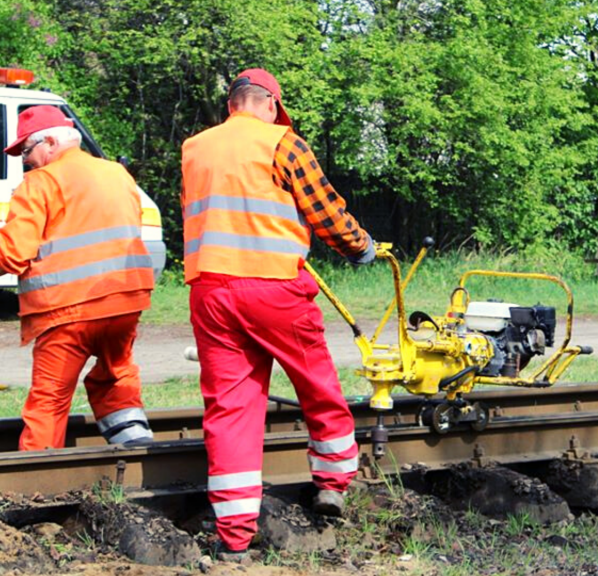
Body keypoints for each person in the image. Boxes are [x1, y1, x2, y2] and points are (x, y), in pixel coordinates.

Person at [181, 68, 375, 559]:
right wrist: (359, 247)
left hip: (209, 290)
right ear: (270, 104)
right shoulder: (283, 142)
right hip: (273, 288)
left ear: (232, 105)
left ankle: (234, 537)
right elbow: (324, 210)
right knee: (315, 381)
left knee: (230, 410)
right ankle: (332, 482)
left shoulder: (195, 148)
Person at [0, 105, 156, 450]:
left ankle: (39, 483)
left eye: (27, 152)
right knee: (115, 377)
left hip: (67, 311)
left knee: (50, 399)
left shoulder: (42, 182)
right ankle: (138, 455)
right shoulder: (117, 174)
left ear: (49, 142)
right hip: (124, 303)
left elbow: (13, 252)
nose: (26, 161)